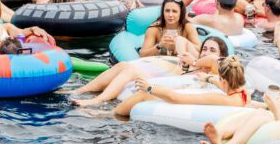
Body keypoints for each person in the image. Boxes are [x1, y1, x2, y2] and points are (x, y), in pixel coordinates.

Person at [70, 36, 229, 109]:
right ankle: (81, 91)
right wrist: (183, 56)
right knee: (124, 64)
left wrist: (193, 62)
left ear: (221, 55)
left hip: (161, 88)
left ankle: (97, 100)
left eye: (212, 50)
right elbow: (181, 40)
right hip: (163, 81)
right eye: (205, 49)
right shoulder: (195, 63)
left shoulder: (216, 70)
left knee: (131, 69)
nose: (207, 52)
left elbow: (214, 61)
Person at [131, 55, 251, 113]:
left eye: (219, 79)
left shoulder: (220, 98)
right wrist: (209, 78)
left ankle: (114, 114)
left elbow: (176, 98)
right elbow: (223, 86)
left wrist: (150, 87)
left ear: (224, 81)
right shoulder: (244, 92)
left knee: (143, 95)